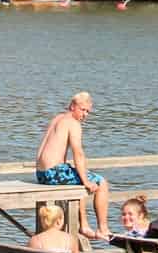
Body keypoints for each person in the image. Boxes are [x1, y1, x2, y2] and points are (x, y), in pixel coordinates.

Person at [35, 91, 110, 239]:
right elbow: (78, 153)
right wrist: (87, 181)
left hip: (41, 174)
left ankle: (84, 225)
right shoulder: (73, 124)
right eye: (83, 109)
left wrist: (82, 178)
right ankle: (103, 228)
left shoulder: (57, 119)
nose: (85, 114)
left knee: (78, 178)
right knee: (102, 183)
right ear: (72, 106)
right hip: (53, 173)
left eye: (88, 111)